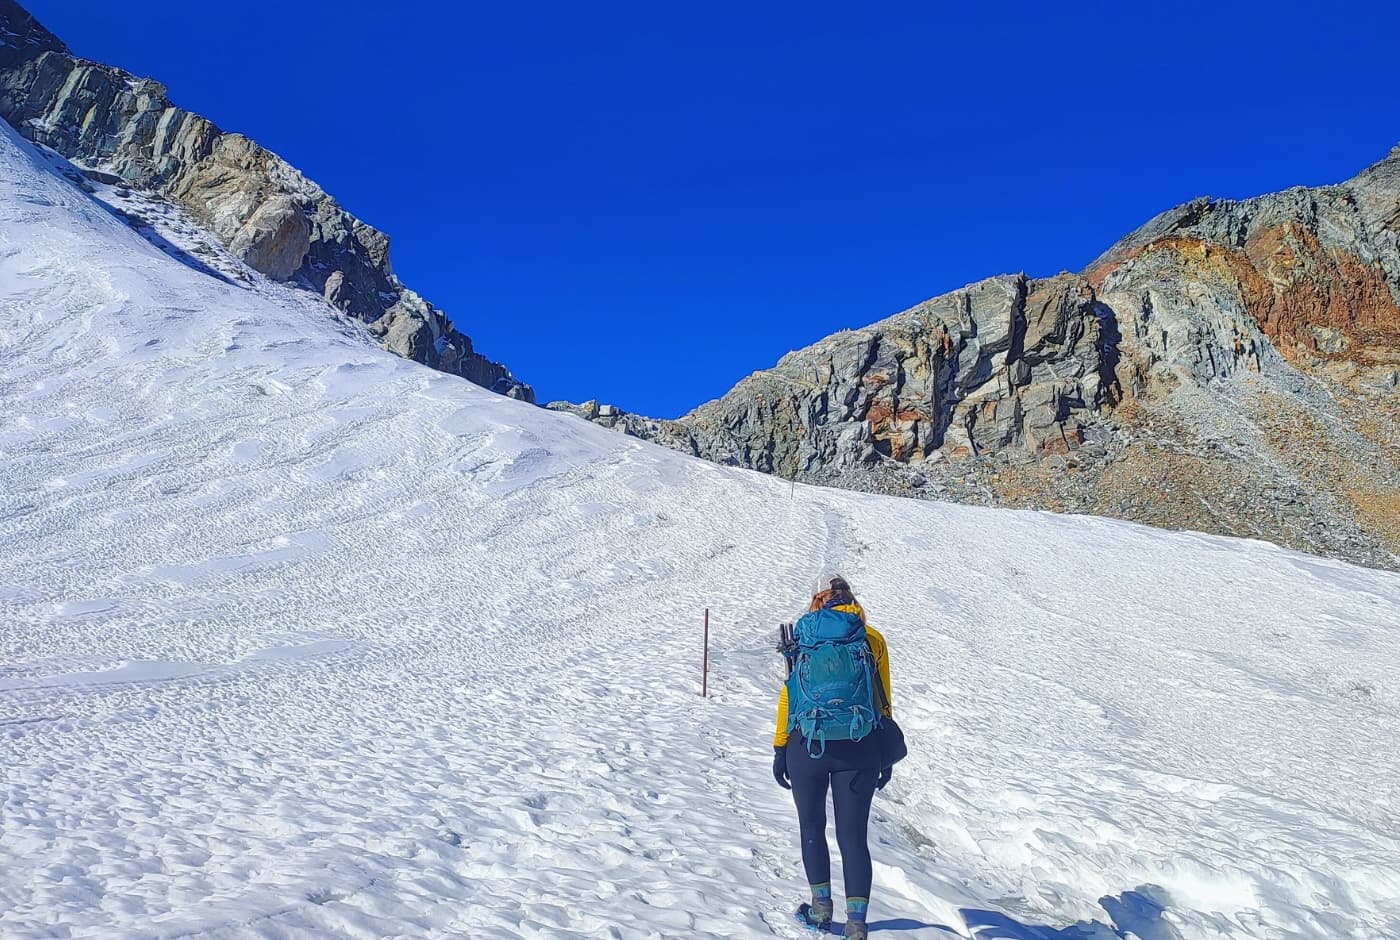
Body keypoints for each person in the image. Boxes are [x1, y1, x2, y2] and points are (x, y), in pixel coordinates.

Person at [773, 576, 893, 939]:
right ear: (853, 601)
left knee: (812, 827)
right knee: (853, 836)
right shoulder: (871, 638)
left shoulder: (804, 636)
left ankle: (820, 909)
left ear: (818, 602)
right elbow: (882, 697)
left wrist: (781, 747)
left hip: (808, 744)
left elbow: (789, 695)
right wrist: (883, 754)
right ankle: (856, 924)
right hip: (860, 743)